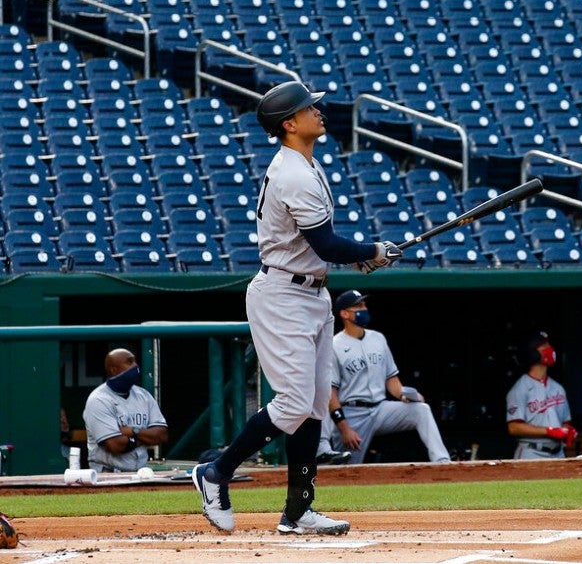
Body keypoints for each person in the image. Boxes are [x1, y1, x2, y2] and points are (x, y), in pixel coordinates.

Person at [192, 81, 402, 535]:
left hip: (311, 292)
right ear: (289, 123)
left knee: (311, 407)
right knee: (290, 404)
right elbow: (325, 242)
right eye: (310, 108)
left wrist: (363, 255)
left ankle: (298, 510)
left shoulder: (305, 164)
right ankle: (216, 473)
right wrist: (372, 249)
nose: (319, 112)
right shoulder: (293, 173)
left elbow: (321, 248)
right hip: (283, 295)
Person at [319, 289, 450, 465]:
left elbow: (391, 380)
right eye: (358, 306)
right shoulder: (335, 345)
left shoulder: (378, 338)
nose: (364, 308)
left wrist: (405, 395)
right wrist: (344, 429)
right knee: (345, 469)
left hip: (380, 409)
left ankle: (442, 462)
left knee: (421, 410)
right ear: (344, 313)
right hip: (352, 413)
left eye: (364, 304)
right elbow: (331, 394)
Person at [82, 349, 168, 473]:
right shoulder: (98, 400)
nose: (135, 366)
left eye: (135, 361)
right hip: (107, 474)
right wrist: (144, 438)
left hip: (140, 472)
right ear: (113, 369)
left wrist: (133, 431)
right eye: (129, 362)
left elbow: (161, 435)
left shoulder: (143, 395)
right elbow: (115, 445)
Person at [505, 331, 577, 459]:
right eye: (544, 346)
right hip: (531, 452)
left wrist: (568, 431)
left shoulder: (558, 388)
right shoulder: (520, 389)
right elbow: (514, 427)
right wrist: (548, 431)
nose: (549, 349)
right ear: (532, 352)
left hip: (558, 453)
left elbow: (565, 422)